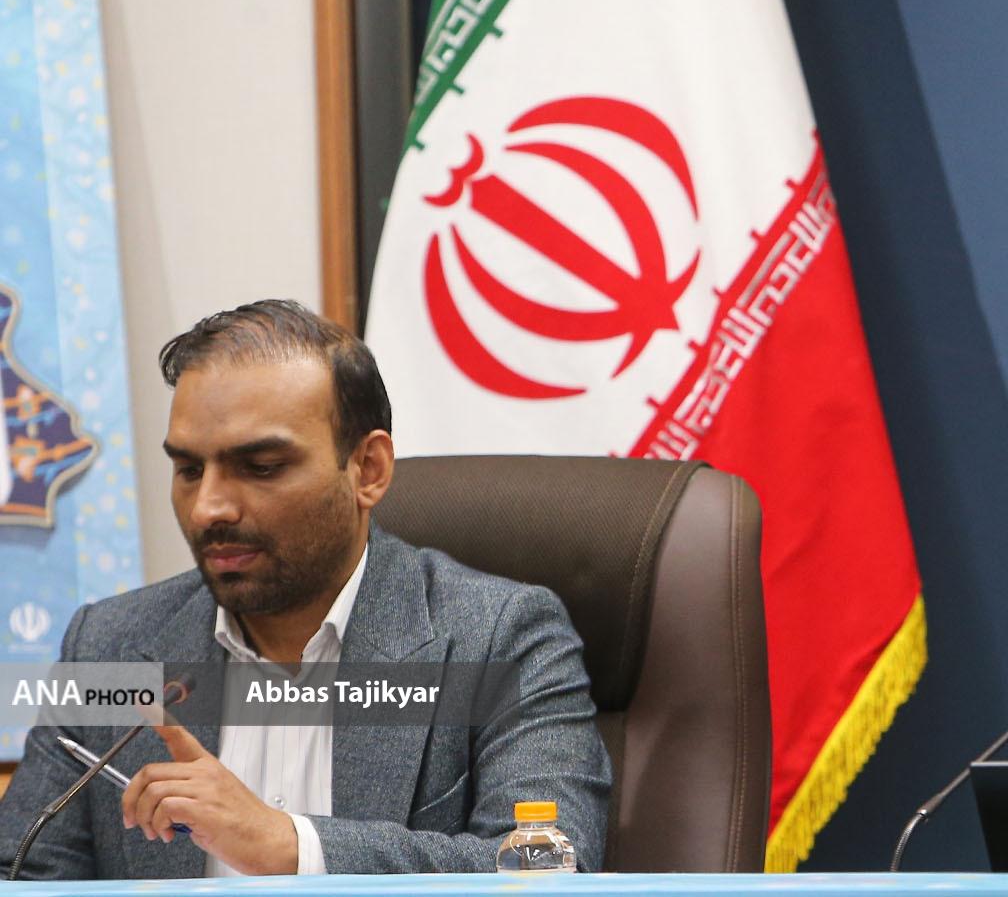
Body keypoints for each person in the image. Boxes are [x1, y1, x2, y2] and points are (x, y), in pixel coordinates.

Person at [0, 300, 612, 877]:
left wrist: (291, 845)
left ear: (368, 470)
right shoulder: (110, 645)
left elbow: (550, 871)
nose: (208, 506)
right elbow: (23, 872)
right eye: (188, 469)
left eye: (261, 467)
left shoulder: (501, 638)